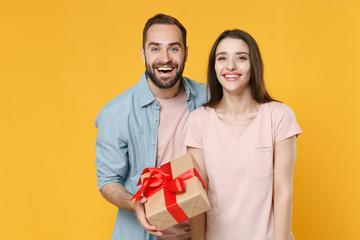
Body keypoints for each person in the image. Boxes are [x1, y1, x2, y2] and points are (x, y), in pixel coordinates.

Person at [95, 14, 206, 240]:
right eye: (155, 49)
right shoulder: (116, 113)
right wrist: (136, 203)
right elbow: (107, 181)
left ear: (186, 52)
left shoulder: (210, 98)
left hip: (203, 232)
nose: (165, 58)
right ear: (143, 53)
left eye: (173, 49)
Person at [185, 29, 302, 240]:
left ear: (253, 65)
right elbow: (197, 195)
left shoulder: (279, 116)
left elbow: (283, 191)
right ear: (215, 67)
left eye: (241, 58)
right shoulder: (199, 120)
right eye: (222, 58)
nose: (230, 66)